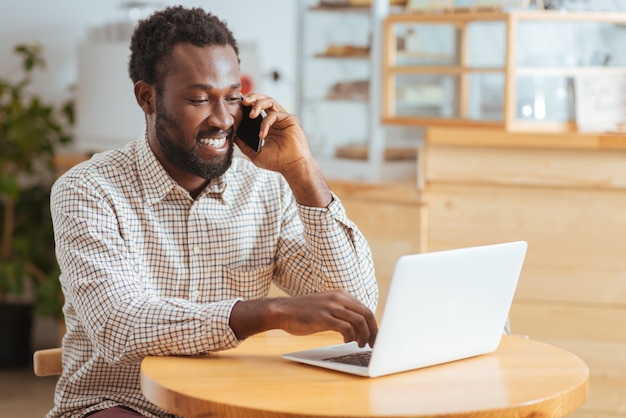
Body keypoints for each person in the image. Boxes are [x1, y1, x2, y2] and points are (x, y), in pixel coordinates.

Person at [48, 5, 378, 418]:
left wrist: (304, 174)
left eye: (233, 97)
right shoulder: (88, 190)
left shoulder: (266, 187)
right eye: (200, 99)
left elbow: (356, 301)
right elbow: (120, 325)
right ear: (147, 97)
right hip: (121, 405)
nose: (222, 119)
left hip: (229, 404)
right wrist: (267, 312)